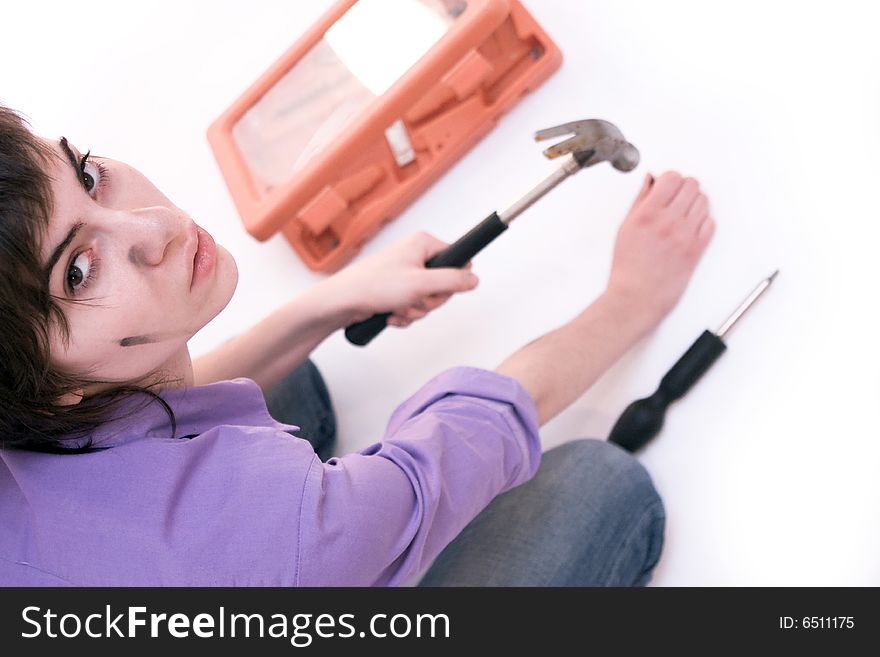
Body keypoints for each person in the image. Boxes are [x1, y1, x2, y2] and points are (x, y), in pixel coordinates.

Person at [0, 104, 713, 586]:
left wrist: (331, 300)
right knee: (600, 484)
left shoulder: (30, 412)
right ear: (47, 384)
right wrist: (631, 300)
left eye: (89, 175)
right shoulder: (288, 540)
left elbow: (151, 422)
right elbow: (472, 434)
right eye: (79, 269)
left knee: (296, 384)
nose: (151, 224)